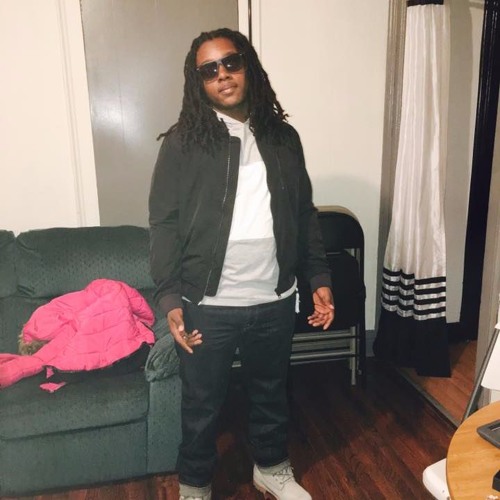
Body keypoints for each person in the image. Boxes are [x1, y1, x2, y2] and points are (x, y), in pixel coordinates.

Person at [149, 27, 334, 500]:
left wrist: (317, 276)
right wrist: (169, 297)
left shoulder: (283, 138)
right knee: (201, 404)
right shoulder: (183, 143)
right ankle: (194, 484)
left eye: (231, 62)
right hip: (207, 303)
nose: (223, 75)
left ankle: (271, 468)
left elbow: (303, 213)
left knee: (270, 392)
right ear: (198, 81)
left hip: (274, 297)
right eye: (209, 70)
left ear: (247, 66)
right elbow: (164, 223)